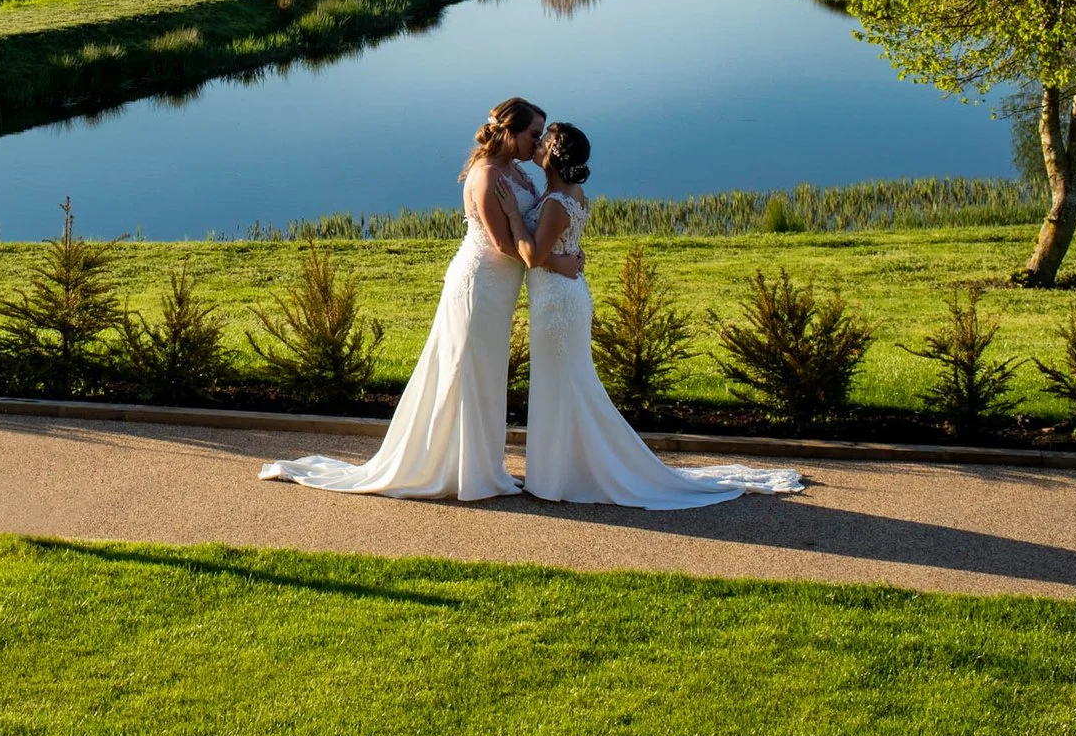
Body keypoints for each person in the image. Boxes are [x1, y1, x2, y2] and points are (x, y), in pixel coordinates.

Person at [259, 98, 546, 500]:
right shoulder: (484, 178)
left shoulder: (515, 171)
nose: (539, 142)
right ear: (509, 132)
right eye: (534, 134)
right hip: (479, 287)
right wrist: (549, 257)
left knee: (487, 375)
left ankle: (481, 465)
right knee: (468, 373)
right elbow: (503, 244)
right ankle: (464, 471)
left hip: (500, 292)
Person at [521, 122, 803, 508]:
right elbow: (560, 246)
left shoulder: (555, 203)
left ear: (553, 154)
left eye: (544, 142)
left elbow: (535, 255)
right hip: (564, 296)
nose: (537, 146)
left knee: (563, 383)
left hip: (557, 302)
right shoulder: (569, 193)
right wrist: (570, 260)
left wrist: (516, 219)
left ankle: (560, 477)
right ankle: (562, 472)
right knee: (567, 382)